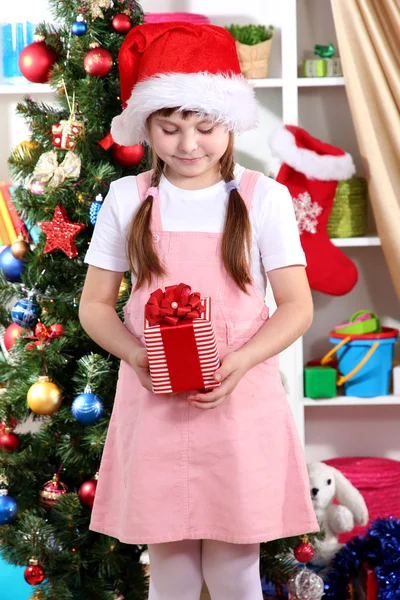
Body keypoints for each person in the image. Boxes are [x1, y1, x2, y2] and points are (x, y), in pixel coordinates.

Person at [79, 21, 319, 600]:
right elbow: (95, 306)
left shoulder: (265, 198)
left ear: (228, 122)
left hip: (240, 404)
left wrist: (239, 361)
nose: (188, 146)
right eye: (170, 128)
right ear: (147, 126)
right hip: (156, 406)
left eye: (205, 127)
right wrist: (138, 354)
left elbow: (295, 307)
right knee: (172, 577)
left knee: (235, 574)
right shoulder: (127, 199)